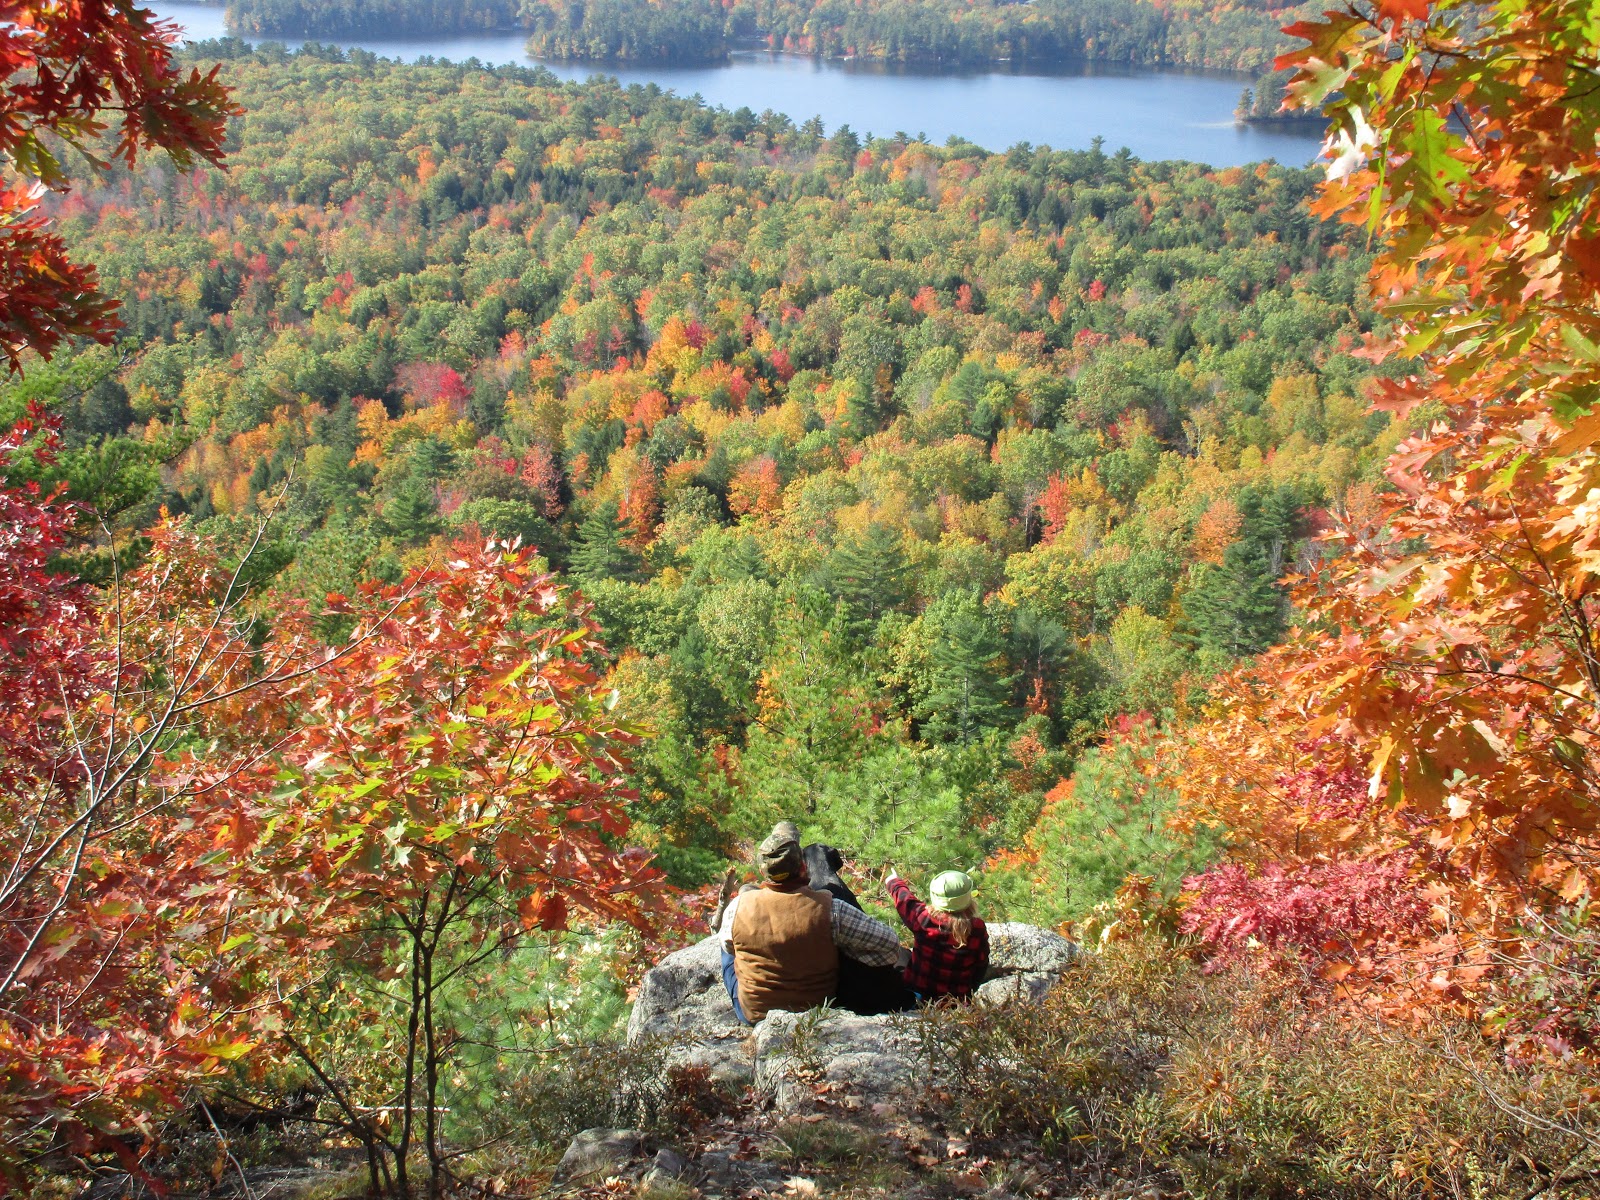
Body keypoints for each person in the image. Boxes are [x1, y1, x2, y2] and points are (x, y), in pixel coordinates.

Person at [718, 822, 904, 1024]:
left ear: (764, 873)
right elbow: (890, 945)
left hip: (754, 1014)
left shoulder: (737, 908)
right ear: (804, 866)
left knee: (728, 950)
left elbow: (729, 946)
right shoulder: (831, 909)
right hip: (816, 1009)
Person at [884, 867, 990, 1002]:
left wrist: (894, 881)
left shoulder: (923, 918)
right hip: (955, 1001)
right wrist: (968, 993)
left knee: (898, 952)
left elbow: (905, 900)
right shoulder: (977, 928)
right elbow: (981, 964)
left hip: (919, 996)